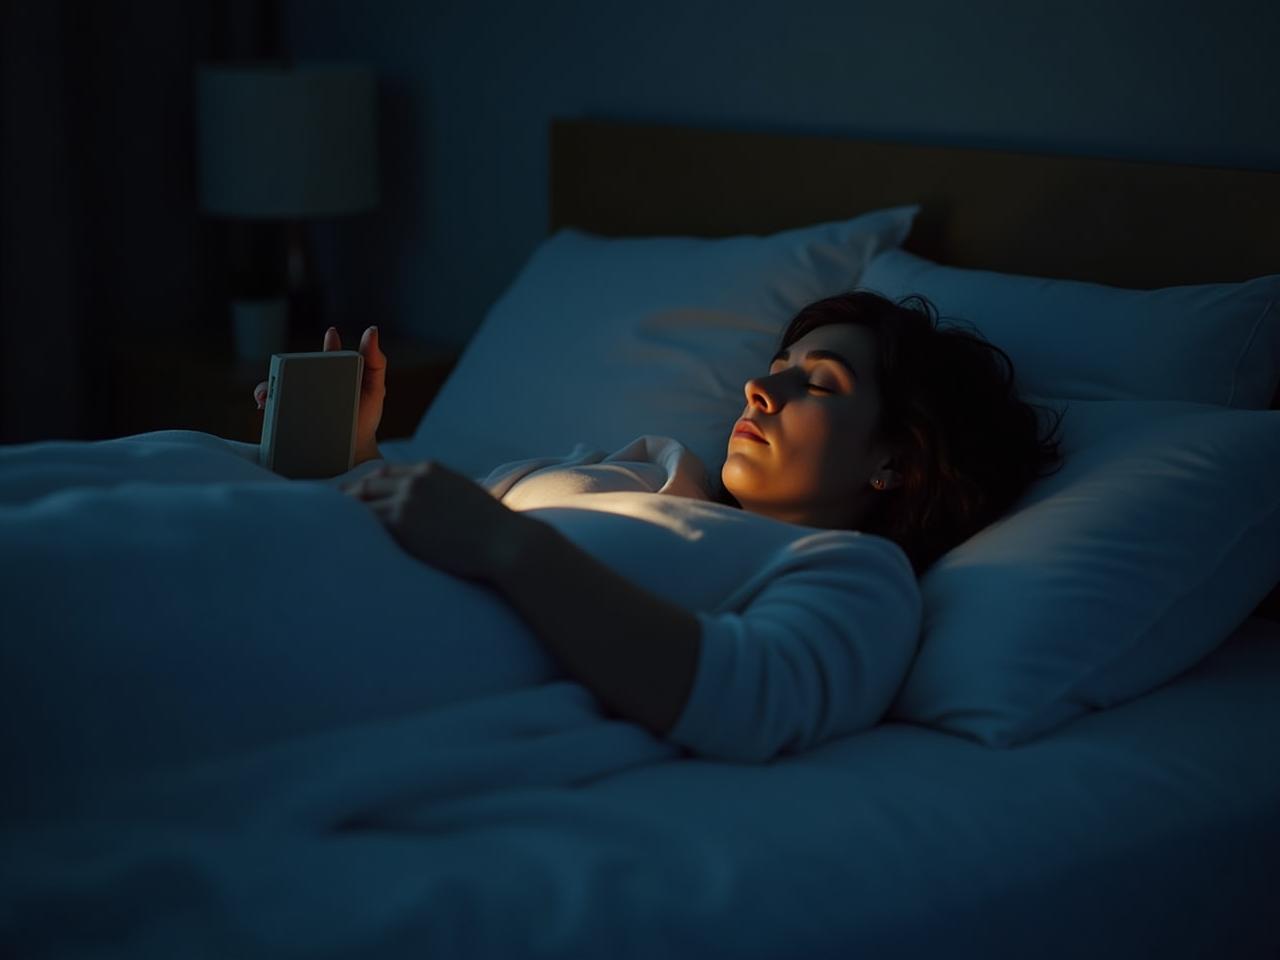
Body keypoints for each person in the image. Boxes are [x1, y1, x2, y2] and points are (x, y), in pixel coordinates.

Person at [253, 291, 1064, 760]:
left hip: (326, 638)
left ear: (896, 459)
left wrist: (508, 545)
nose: (758, 388)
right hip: (292, 547)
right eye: (777, 366)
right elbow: (423, 513)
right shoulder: (646, 468)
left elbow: (748, 696)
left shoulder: (854, 577)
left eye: (817, 383)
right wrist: (354, 455)